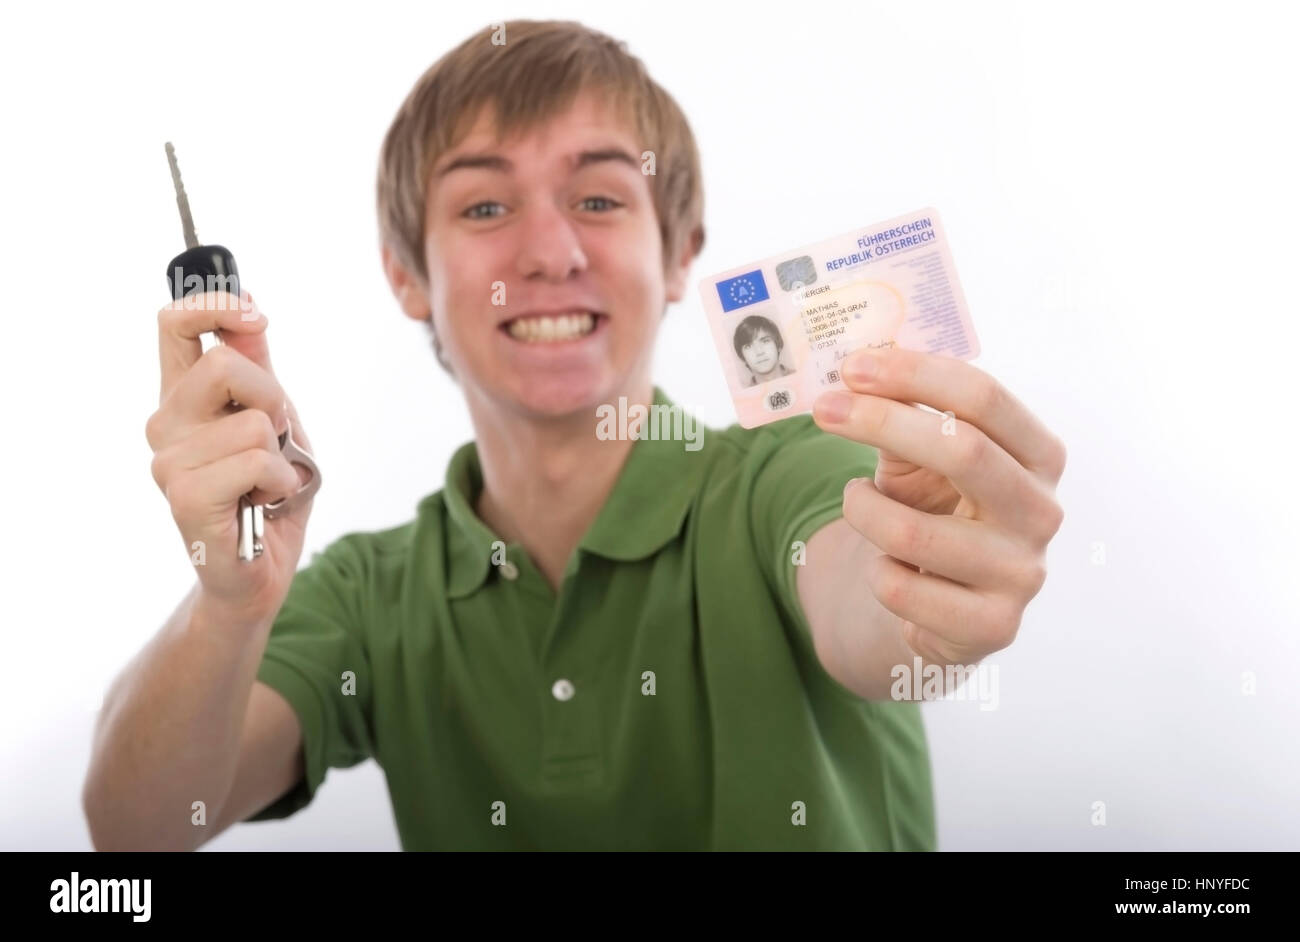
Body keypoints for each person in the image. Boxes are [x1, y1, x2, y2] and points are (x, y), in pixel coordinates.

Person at [84, 19, 1066, 851]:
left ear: (678, 253)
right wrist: (230, 602)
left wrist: (926, 596)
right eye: (483, 205)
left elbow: (874, 618)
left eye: (598, 198)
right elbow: (139, 825)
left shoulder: (792, 476)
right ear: (407, 276)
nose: (549, 252)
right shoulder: (367, 597)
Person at [732, 313, 795, 386]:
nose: (759, 352)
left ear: (778, 345)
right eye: (748, 346)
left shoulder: (804, 375)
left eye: (765, 341)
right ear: (743, 357)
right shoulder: (741, 396)